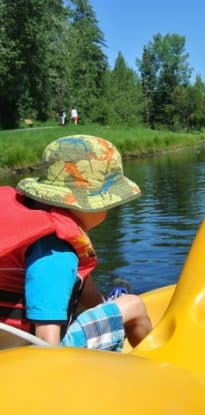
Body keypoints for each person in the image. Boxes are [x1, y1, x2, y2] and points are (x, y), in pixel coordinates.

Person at [0, 135, 152, 350]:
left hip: (7, 341)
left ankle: (112, 306)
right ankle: (158, 368)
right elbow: (47, 341)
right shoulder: (57, 252)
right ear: (89, 204)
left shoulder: (28, 224)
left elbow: (81, 283)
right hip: (31, 356)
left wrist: (104, 309)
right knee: (133, 305)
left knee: (109, 304)